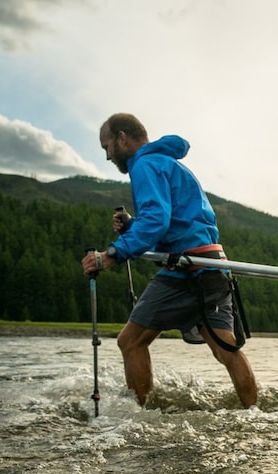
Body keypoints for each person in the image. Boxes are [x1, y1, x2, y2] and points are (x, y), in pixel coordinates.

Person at [81, 113, 257, 408]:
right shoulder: (167, 162)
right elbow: (174, 221)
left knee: (130, 341)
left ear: (122, 138)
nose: (108, 155)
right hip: (213, 266)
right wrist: (133, 224)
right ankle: (254, 415)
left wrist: (111, 255)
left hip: (186, 271)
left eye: (107, 147)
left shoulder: (145, 165)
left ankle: (140, 417)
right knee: (227, 348)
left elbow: (157, 222)